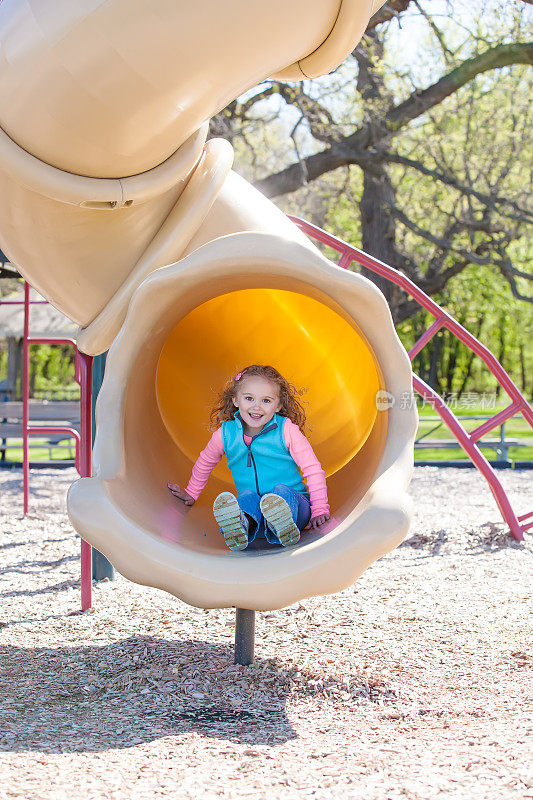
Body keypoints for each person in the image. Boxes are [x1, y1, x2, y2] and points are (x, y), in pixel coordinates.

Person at [167, 364, 330, 550]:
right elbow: (205, 463)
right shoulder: (226, 434)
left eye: (266, 401)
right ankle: (240, 526)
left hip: (295, 508)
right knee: (245, 496)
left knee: (281, 491)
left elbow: (313, 469)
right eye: (249, 398)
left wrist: (319, 510)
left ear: (278, 405)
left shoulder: (286, 430)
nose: (256, 407)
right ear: (236, 400)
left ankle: (283, 525)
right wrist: (192, 493)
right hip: (256, 515)